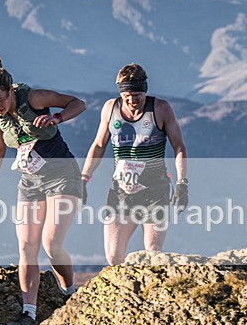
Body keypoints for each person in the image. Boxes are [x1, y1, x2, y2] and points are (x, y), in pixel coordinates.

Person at [0, 48, 85, 325]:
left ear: (10, 91)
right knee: (26, 247)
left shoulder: (34, 97)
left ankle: (70, 294)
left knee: (51, 244)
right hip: (30, 181)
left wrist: (57, 118)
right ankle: (29, 313)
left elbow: (78, 103)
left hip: (63, 175)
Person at [80, 63, 188, 265]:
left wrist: (182, 184)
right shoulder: (110, 108)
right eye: (126, 96)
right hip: (121, 191)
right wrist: (83, 179)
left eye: (137, 95)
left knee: (153, 253)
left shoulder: (160, 109)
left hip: (155, 189)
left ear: (145, 91)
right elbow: (98, 145)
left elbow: (179, 147)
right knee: (113, 257)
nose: (131, 101)